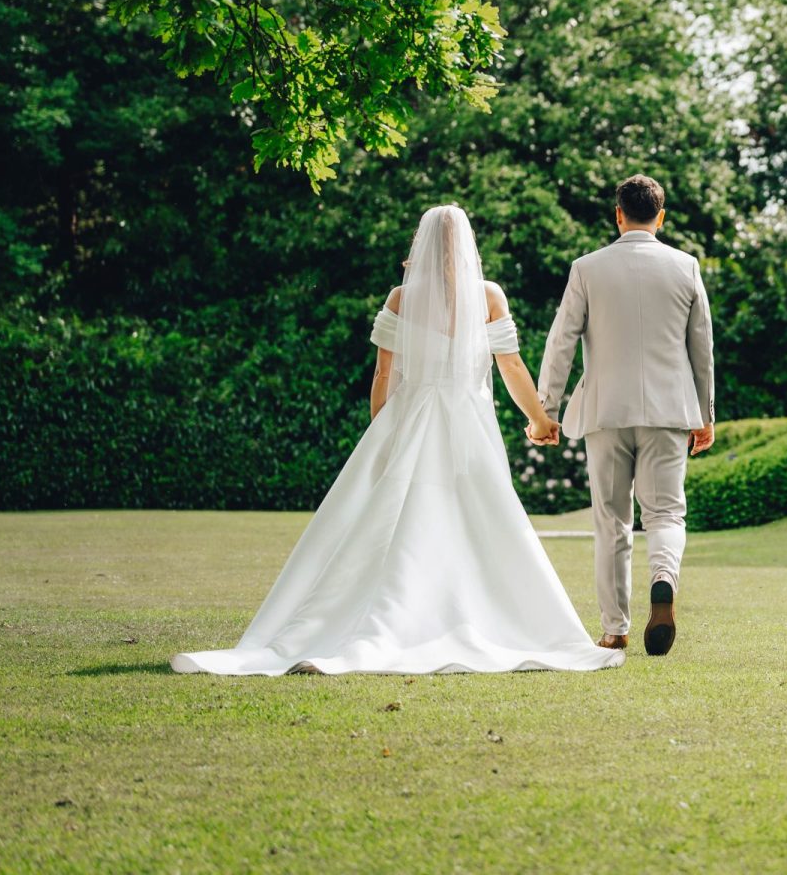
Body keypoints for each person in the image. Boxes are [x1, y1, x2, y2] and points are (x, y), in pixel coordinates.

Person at [172, 205, 623, 676]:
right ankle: (476, 615)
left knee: (393, 518)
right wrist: (539, 419)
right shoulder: (488, 295)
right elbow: (510, 366)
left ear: (421, 243)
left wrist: (383, 430)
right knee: (480, 516)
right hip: (469, 420)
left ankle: (387, 612)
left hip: (413, 416)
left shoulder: (401, 298)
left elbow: (384, 372)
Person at [535, 174, 716, 656]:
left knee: (611, 522)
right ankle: (664, 578)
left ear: (618, 214)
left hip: (605, 410)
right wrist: (705, 415)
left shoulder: (587, 268)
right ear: (661, 217)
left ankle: (614, 630)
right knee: (665, 512)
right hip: (668, 411)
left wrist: (545, 410)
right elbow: (702, 349)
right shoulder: (686, 267)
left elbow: (562, 341)